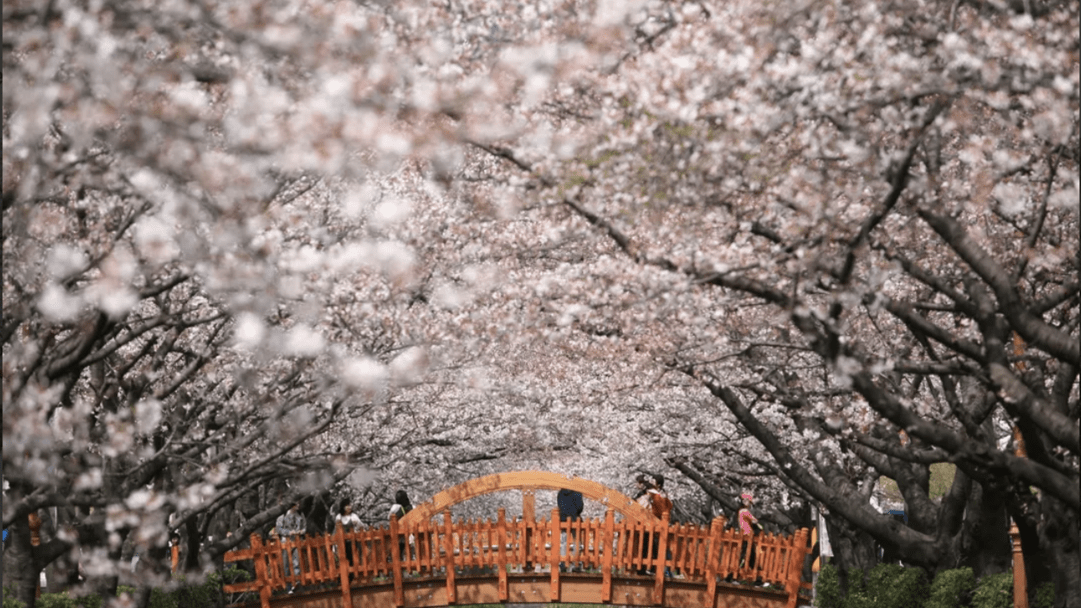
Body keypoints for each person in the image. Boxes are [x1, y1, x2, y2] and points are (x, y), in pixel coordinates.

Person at [276, 502, 306, 594]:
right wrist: (288, 532)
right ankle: (288, 586)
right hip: (285, 542)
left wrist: (301, 531)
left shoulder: (300, 514)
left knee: (296, 562)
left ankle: (296, 584)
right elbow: (279, 529)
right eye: (296, 503)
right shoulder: (283, 515)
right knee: (285, 564)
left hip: (296, 541)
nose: (298, 505)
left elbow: (304, 527)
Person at [557, 489, 584, 572]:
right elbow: (580, 506)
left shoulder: (561, 492)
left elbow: (559, 505)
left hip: (563, 518)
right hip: (575, 518)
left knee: (564, 540)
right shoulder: (577, 492)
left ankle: (563, 562)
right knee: (576, 540)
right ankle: (576, 564)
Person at [737, 493, 762, 579]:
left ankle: (758, 575)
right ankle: (736, 572)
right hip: (747, 533)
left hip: (747, 534)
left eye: (748, 500)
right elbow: (754, 520)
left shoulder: (741, 511)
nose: (747, 502)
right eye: (745, 500)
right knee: (746, 553)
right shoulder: (744, 511)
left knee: (751, 554)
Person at [335, 502, 362, 571]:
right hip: (342, 542)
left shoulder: (353, 516)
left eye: (350, 505)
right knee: (343, 559)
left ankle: (353, 572)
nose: (350, 507)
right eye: (347, 505)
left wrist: (356, 524)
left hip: (352, 541)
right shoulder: (339, 517)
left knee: (354, 558)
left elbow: (361, 526)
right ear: (343, 507)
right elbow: (336, 528)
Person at [389, 490, 414, 564]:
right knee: (407, 551)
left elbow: (389, 517)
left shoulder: (395, 507)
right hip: (405, 533)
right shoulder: (407, 507)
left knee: (398, 552)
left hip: (398, 533)